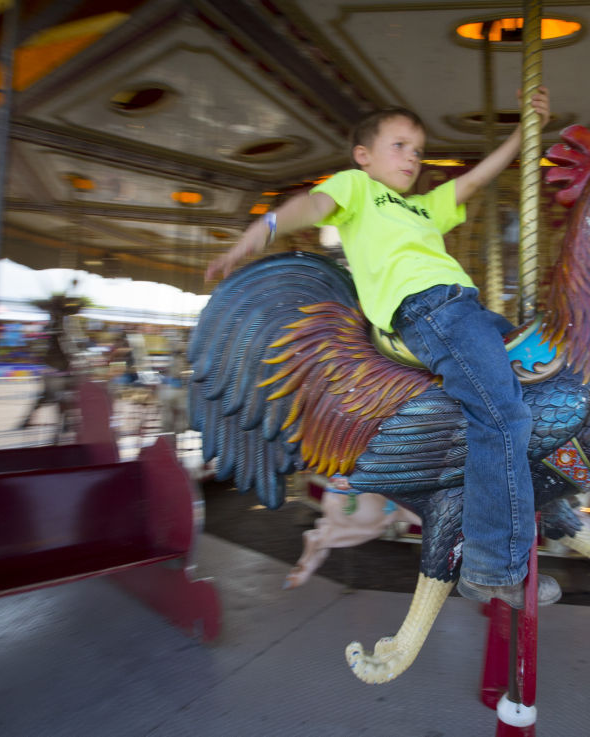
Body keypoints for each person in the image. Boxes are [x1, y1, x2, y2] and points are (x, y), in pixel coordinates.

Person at [206, 88, 560, 609]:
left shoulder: (420, 208)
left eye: (417, 151)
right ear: (363, 156)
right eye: (399, 146)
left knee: (550, 377)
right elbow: (313, 204)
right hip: (429, 309)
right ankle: (493, 566)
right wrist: (260, 231)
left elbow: (477, 179)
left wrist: (525, 130)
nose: (412, 158)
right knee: (503, 415)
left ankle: (530, 501)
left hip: (470, 308)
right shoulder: (358, 190)